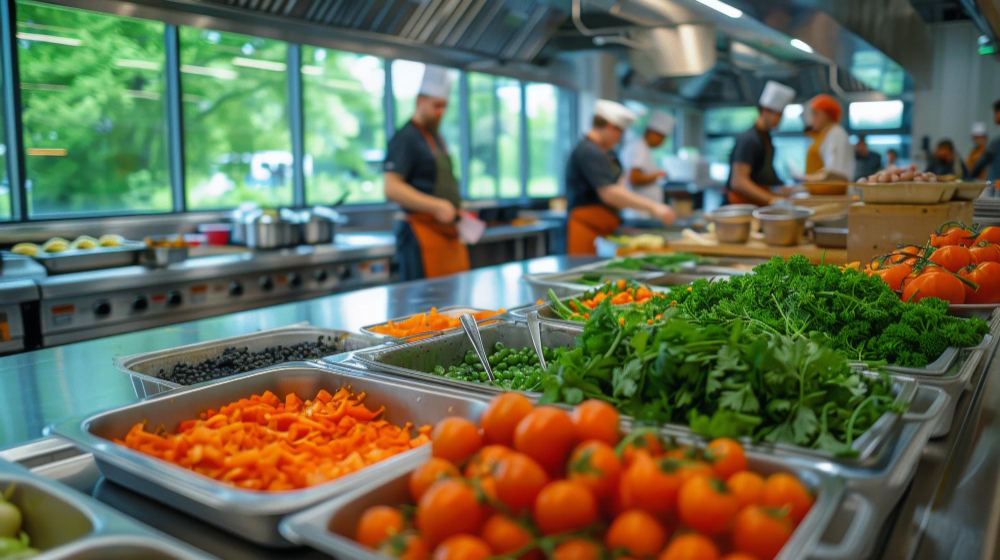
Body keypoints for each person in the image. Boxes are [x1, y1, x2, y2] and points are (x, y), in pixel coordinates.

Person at [384, 65, 466, 281]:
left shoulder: (436, 138)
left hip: (445, 233)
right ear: (420, 100)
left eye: (445, 106)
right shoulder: (406, 137)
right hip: (419, 235)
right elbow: (391, 187)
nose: (441, 112)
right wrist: (436, 205)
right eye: (436, 106)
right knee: (424, 306)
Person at [565, 100, 676, 255]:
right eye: (620, 133)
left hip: (606, 226)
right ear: (611, 127)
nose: (619, 138)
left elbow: (619, 185)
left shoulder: (607, 153)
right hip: (586, 227)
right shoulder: (588, 151)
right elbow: (609, 193)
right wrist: (654, 207)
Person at [726, 80, 796, 205]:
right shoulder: (749, 139)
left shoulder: (765, 137)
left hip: (757, 204)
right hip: (742, 206)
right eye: (778, 114)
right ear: (765, 111)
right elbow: (738, 182)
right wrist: (772, 200)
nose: (780, 119)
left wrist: (780, 189)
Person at [621, 110, 675, 219]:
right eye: (661, 137)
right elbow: (633, 177)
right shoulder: (639, 148)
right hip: (639, 213)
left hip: (644, 212)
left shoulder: (643, 148)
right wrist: (657, 175)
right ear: (652, 132)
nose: (662, 142)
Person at [797, 94, 854, 183]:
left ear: (827, 114)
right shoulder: (825, 134)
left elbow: (835, 174)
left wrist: (805, 178)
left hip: (834, 193)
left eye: (816, 113)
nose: (812, 118)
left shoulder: (836, 133)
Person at [969, 99, 1000, 181]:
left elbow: (980, 165)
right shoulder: (973, 152)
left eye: (997, 111)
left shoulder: (996, 144)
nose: (995, 115)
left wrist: (968, 178)